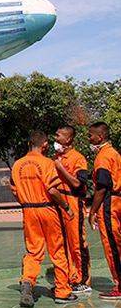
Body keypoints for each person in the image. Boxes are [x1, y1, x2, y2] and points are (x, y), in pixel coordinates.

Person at [11, 130, 77, 307]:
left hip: (29, 211)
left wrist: (26, 201)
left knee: (33, 251)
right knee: (57, 251)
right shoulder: (47, 163)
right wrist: (66, 206)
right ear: (45, 145)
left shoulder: (17, 165)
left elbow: (14, 190)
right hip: (47, 210)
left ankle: (28, 280)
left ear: (28, 144)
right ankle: (62, 291)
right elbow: (52, 190)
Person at [53, 125, 92, 293]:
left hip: (74, 204)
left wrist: (62, 170)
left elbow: (79, 184)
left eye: (58, 136)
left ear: (68, 139)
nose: (56, 139)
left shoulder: (78, 158)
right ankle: (70, 277)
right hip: (60, 205)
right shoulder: (57, 158)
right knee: (63, 244)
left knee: (77, 243)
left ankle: (84, 280)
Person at [87, 122, 121, 300]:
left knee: (112, 244)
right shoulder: (114, 153)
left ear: (99, 137)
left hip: (109, 203)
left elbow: (102, 186)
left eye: (90, 135)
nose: (88, 139)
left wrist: (93, 210)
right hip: (118, 200)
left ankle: (120, 285)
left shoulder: (103, 157)